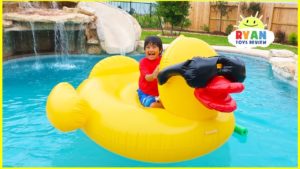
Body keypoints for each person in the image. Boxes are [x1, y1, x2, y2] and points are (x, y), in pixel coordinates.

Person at [137, 36, 164, 108]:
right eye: (148, 47)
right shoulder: (143, 62)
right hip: (146, 92)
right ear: (144, 50)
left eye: (154, 47)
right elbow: (147, 78)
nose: (151, 49)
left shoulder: (163, 60)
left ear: (160, 50)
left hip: (159, 92)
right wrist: (153, 75)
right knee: (152, 105)